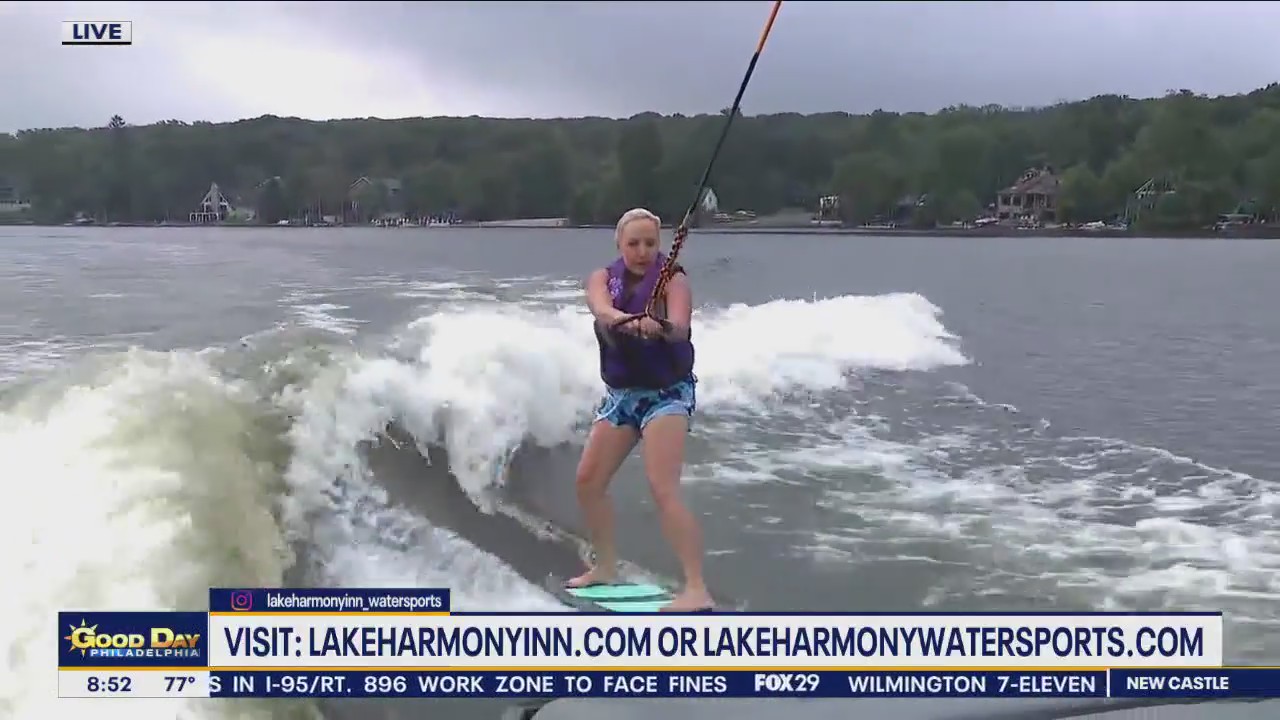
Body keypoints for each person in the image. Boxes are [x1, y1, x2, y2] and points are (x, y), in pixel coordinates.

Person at [565, 207, 714, 612]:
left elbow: (681, 325)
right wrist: (627, 321)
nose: (643, 251)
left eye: (650, 243)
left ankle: (697, 588)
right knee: (588, 482)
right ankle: (606, 567)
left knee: (662, 488)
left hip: (666, 395)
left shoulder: (674, 279)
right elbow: (602, 310)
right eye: (634, 243)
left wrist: (660, 327)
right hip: (621, 397)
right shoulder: (601, 279)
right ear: (620, 244)